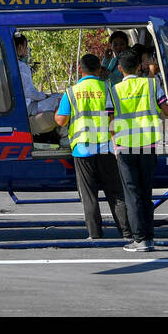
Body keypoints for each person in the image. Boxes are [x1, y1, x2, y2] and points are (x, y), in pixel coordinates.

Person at [55, 54, 133, 240]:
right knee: (115, 193)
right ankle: (127, 232)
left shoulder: (71, 91)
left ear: (81, 70)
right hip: (106, 147)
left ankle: (95, 235)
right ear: (99, 69)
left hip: (83, 149)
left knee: (89, 195)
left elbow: (61, 119)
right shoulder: (107, 88)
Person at [109, 47, 168, 253]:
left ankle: (139, 240)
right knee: (146, 193)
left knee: (132, 194)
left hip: (125, 147)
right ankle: (149, 237)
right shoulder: (152, 84)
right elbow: (167, 109)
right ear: (139, 66)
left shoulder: (114, 90)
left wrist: (114, 143)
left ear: (120, 69)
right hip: (148, 146)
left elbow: (109, 119)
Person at [15, 34, 60, 117]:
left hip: (20, 106)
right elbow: (29, 93)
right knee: (60, 99)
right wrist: (44, 96)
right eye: (26, 46)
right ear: (20, 47)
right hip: (27, 107)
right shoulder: (21, 67)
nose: (27, 50)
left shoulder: (9, 65)